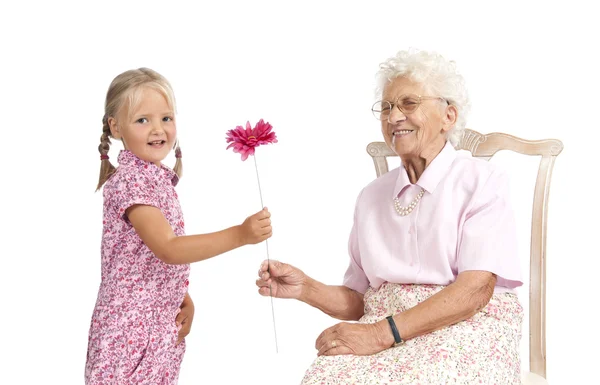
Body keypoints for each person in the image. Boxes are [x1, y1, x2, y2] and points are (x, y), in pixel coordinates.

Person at [256, 49, 523, 384]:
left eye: (409, 103)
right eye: (386, 107)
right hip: (385, 327)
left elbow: (474, 291)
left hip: (466, 325)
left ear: (448, 116)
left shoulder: (482, 181)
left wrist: (381, 334)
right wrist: (305, 288)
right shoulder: (371, 197)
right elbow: (358, 301)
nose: (394, 116)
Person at [85, 68, 273, 384]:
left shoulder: (156, 180)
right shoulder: (130, 182)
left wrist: (177, 294)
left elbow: (144, 260)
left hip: (156, 328)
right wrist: (240, 234)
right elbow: (168, 248)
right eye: (142, 120)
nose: (157, 129)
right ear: (115, 127)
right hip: (128, 337)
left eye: (166, 118)